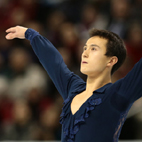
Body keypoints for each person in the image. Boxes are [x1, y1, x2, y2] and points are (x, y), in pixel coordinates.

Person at [5, 26, 142, 142]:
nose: (84, 54)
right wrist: (31, 34)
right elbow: (54, 63)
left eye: (93, 49)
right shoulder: (73, 88)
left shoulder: (117, 94)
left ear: (111, 61)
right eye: (85, 48)